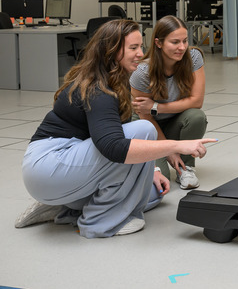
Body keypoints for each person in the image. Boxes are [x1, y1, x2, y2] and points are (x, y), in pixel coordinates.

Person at [15, 19, 216, 238]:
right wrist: (176, 146)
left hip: (61, 174)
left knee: (152, 193)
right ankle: (96, 223)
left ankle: (63, 207)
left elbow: (114, 132)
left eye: (140, 46)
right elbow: (113, 147)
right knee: (144, 130)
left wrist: (154, 171)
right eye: (133, 48)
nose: (140, 53)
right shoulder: (98, 89)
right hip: (49, 165)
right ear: (111, 51)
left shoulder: (110, 79)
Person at [130, 15, 207, 190]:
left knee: (196, 116)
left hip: (172, 121)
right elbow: (146, 118)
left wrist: (156, 107)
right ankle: (145, 163)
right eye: (175, 42)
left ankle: (186, 167)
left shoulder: (194, 57)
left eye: (185, 41)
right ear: (158, 43)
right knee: (161, 179)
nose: (182, 47)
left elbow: (197, 101)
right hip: (148, 127)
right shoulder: (142, 72)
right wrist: (169, 149)